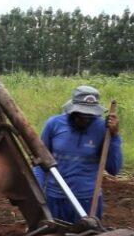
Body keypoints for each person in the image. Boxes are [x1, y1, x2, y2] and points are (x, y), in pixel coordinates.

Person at [35, 84, 121, 222]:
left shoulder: (103, 129)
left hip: (88, 200)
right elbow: (40, 161)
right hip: (55, 198)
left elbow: (114, 169)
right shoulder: (54, 124)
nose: (85, 119)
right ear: (72, 110)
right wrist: (37, 193)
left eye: (90, 116)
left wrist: (115, 136)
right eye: (81, 115)